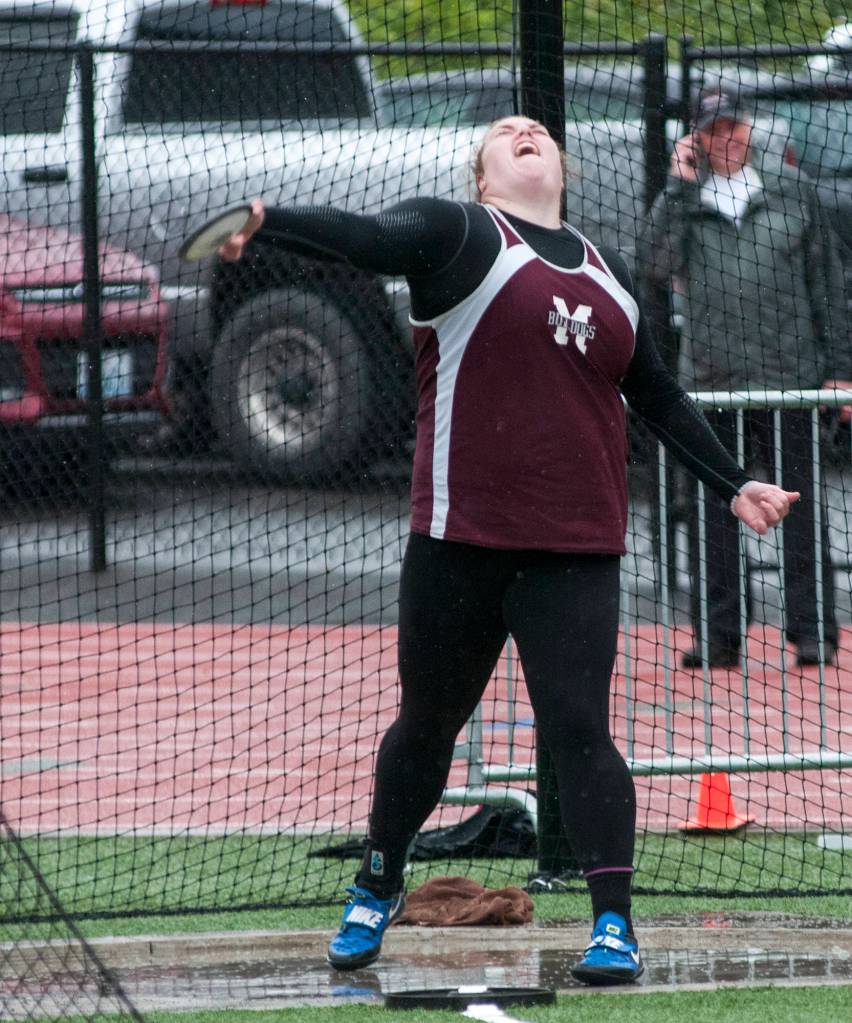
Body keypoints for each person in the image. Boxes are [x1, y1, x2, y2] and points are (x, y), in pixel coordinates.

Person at [219, 115, 798, 985]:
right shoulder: (459, 233)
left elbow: (661, 396)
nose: (522, 128)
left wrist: (735, 483)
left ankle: (612, 923)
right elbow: (370, 240)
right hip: (462, 540)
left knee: (580, 729)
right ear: (486, 177)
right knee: (428, 726)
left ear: (557, 164)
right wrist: (269, 219)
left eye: (534, 130)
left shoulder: (610, 276)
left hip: (576, 547)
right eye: (502, 132)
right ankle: (377, 882)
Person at [638, 86, 850, 669]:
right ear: (697, 138)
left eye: (734, 126)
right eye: (713, 129)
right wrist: (677, 186)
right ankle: (719, 634)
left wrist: (839, 372)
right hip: (711, 386)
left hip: (790, 380)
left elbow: (828, 287)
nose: (726, 137)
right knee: (714, 511)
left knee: (801, 512)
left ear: (750, 129)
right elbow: (654, 265)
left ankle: (813, 630)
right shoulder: (685, 200)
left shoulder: (791, 194)